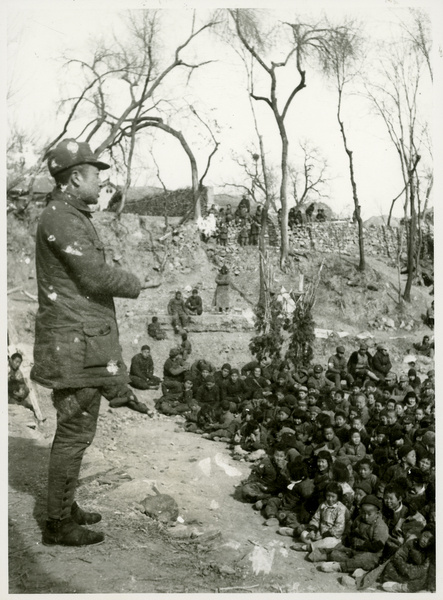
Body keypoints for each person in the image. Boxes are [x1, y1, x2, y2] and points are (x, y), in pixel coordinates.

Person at [31, 138, 159, 547]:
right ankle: (57, 523)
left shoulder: (67, 214)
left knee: (75, 431)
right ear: (73, 179)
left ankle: (64, 508)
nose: (101, 183)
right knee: (74, 434)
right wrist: (136, 282)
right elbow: (93, 276)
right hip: (75, 346)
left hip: (79, 342)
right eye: (95, 175)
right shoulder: (62, 219)